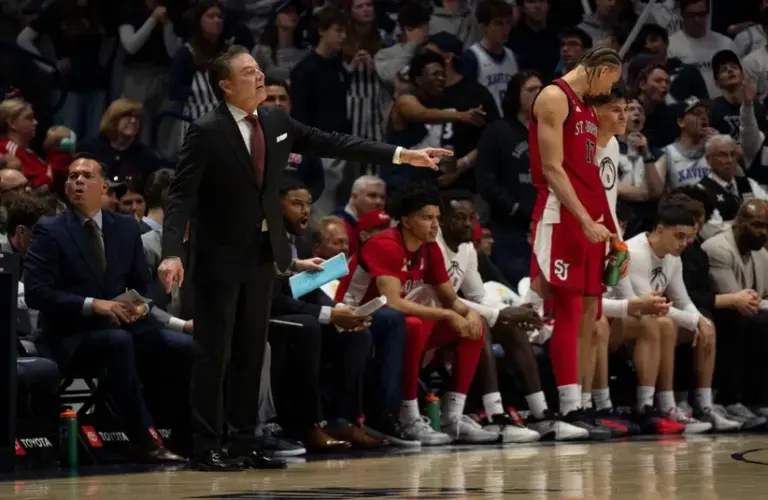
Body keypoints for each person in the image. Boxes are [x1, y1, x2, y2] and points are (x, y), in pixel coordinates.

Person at [158, 45, 452, 471]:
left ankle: (244, 443)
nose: (260, 77)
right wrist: (171, 253)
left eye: (259, 69)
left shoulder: (275, 121)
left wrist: (401, 155)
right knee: (214, 354)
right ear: (225, 85)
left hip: (263, 256)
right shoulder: (206, 129)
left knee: (250, 353)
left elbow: (333, 142)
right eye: (248, 72)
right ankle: (206, 446)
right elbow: (180, 196)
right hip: (218, 258)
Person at [23, 156, 194, 462]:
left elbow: (145, 285)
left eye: (86, 175)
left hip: (124, 324)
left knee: (183, 347)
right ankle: (142, 437)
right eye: (72, 176)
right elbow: (38, 294)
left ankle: (191, 435)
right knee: (119, 343)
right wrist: (94, 306)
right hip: (71, 334)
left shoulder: (126, 227)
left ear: (103, 187)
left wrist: (138, 307)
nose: (77, 180)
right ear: (65, 186)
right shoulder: (49, 231)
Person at [338, 184, 496, 445]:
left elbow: (449, 298)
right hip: (354, 315)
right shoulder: (385, 243)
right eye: (427, 218)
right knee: (412, 323)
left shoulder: (430, 247)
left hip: (393, 322)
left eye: (437, 218)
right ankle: (408, 415)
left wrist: (466, 313)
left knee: (472, 326)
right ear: (406, 220)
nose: (436, 225)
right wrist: (447, 314)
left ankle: (452, 417)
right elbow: (392, 303)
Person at [437, 190, 588, 441]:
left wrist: (508, 313)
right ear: (442, 219)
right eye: (458, 217)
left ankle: (541, 415)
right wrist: (500, 312)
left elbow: (477, 296)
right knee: (483, 322)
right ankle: (494, 415)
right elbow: (445, 298)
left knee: (509, 325)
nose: (467, 224)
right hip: (434, 314)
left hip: (455, 316)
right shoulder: (435, 246)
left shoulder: (468, 250)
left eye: (471, 217)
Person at [527, 46, 621, 427]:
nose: (609, 91)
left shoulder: (584, 105)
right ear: (599, 70)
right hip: (561, 215)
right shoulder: (554, 97)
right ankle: (567, 408)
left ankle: (580, 401)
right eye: (611, 82)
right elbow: (552, 169)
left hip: (589, 220)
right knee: (567, 312)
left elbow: (592, 177)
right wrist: (583, 218)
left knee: (589, 315)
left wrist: (613, 234)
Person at [617, 202, 739, 432]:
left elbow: (682, 300)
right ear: (660, 230)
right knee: (665, 324)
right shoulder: (633, 252)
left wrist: (701, 322)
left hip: (645, 317)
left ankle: (704, 407)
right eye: (679, 236)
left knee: (706, 324)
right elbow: (649, 305)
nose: (684, 243)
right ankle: (664, 406)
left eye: (687, 237)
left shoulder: (673, 256)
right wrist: (695, 321)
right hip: (622, 317)